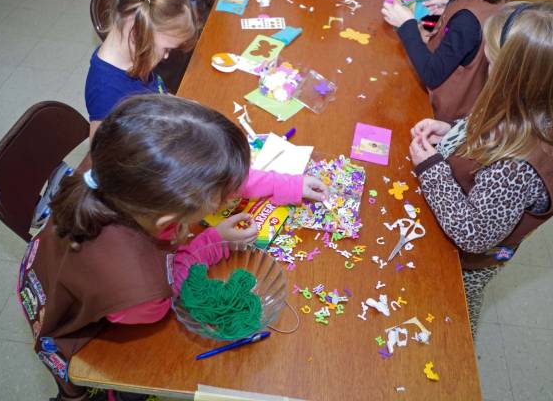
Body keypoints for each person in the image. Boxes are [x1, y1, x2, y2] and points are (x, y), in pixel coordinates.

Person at [18, 94, 328, 401]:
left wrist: (288, 185)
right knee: (89, 382)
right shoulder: (141, 292)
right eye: (220, 200)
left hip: (50, 260)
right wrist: (211, 242)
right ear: (171, 217)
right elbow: (171, 287)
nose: (228, 199)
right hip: (68, 324)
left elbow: (216, 176)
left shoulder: (116, 163)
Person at [408, 2, 553, 338]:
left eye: (492, 61)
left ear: (516, 79)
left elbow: (473, 234)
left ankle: (460, 347)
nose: (486, 65)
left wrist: (430, 166)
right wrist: (451, 131)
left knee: (456, 311)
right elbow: (488, 127)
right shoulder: (533, 105)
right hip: (457, 214)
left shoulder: (517, 167)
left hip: (467, 262)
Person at [382, 0, 524, 123]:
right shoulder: (493, 2)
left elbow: (431, 73)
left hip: (439, 115)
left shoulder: (467, 21)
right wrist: (449, 5)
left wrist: (406, 25)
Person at [85, 0, 198, 140]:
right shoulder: (107, 95)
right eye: (166, 49)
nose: (167, 56)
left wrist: (179, 105)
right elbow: (102, 156)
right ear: (136, 33)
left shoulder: (135, 56)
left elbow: (153, 92)